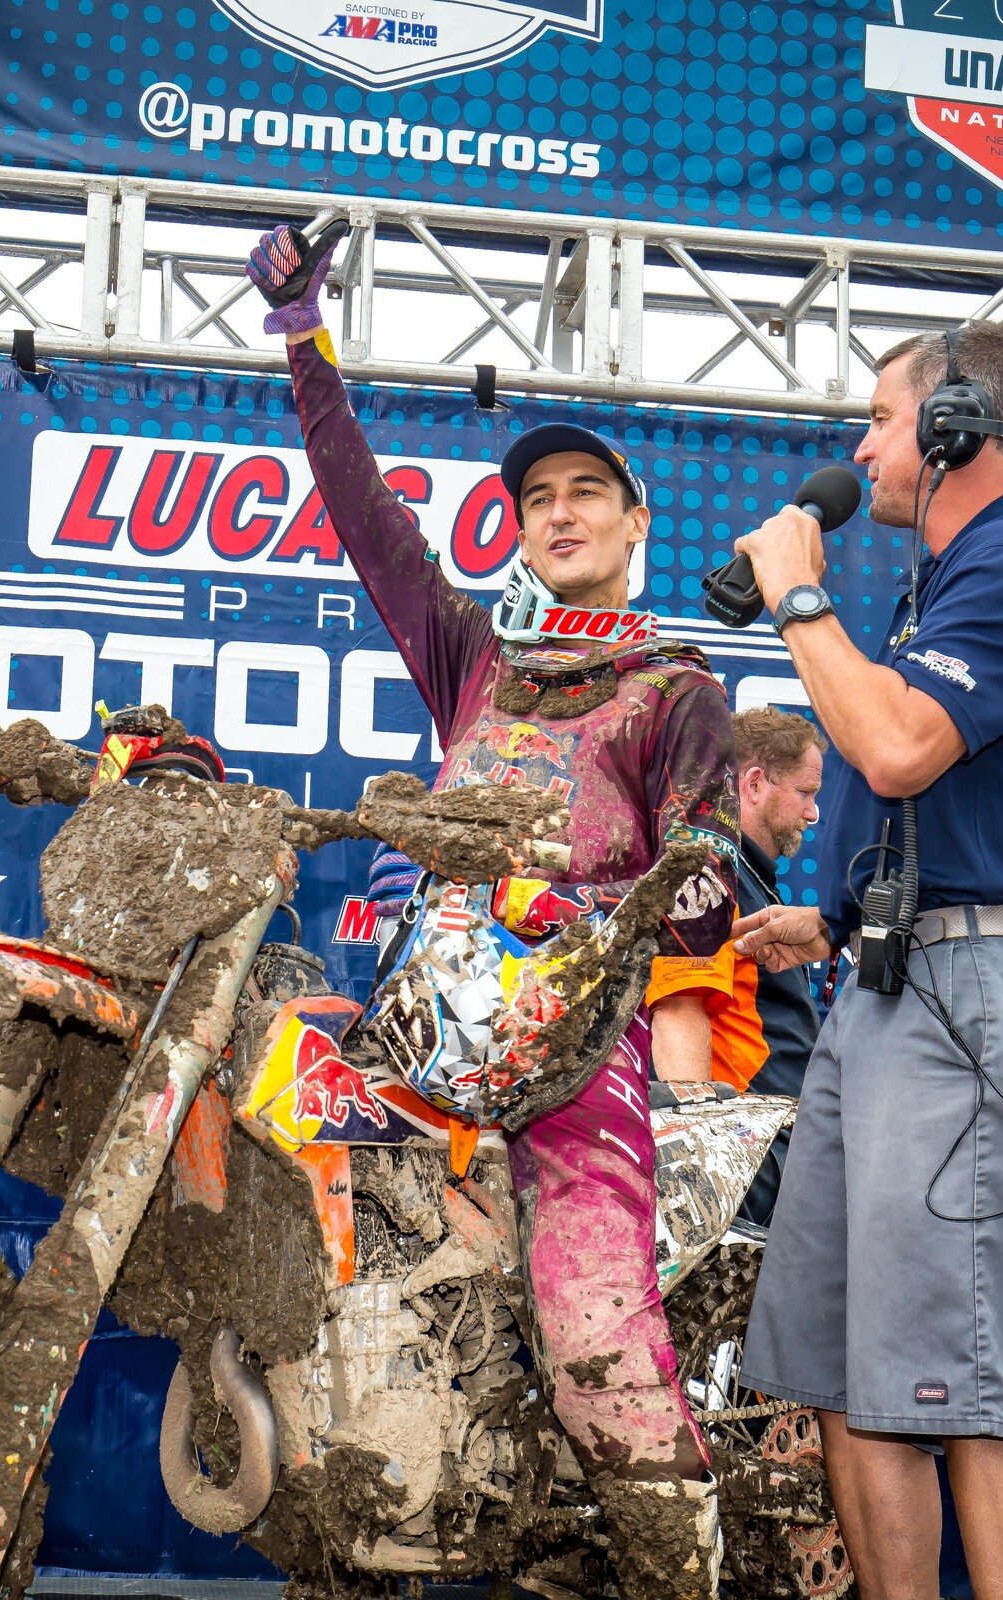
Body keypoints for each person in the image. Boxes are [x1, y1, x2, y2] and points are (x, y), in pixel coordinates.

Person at [247, 223, 740, 1600]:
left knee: (597, 1356)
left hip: (578, 1058)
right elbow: (362, 517)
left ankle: (678, 1570)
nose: (562, 512)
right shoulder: (476, 660)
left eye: (591, 493)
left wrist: (667, 880)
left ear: (637, 525)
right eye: (540, 501)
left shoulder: (673, 688)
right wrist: (303, 338)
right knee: (334, 1314)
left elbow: (705, 861)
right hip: (423, 1044)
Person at [726, 321, 1003, 1600]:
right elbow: (924, 798)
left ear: (955, 429)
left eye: (880, 420)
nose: (859, 448)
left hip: (971, 1001)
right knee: (850, 1376)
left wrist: (798, 595)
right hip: (888, 994)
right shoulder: (935, 585)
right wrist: (829, 921)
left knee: (974, 1390)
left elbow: (892, 749)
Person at [707, 708, 827, 1226]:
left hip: (779, 1148)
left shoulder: (753, 879)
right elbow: (680, 1010)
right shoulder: (713, 877)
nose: (814, 812)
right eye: (806, 793)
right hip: (748, 1159)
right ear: (753, 784)